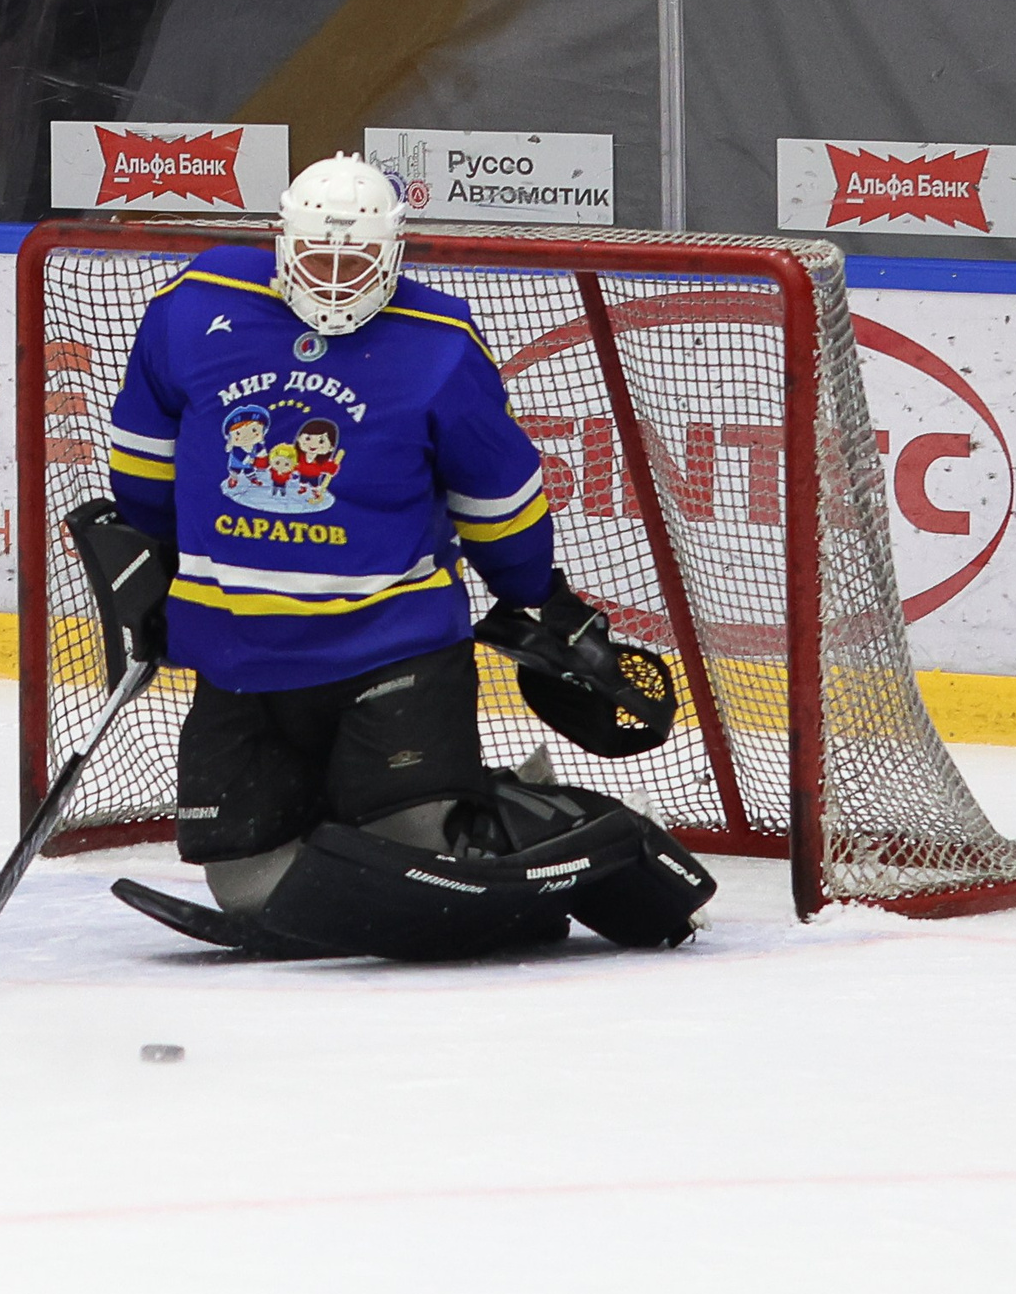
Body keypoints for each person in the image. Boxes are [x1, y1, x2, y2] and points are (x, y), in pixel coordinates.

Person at [99, 153, 710, 959]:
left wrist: (534, 589)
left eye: (359, 261)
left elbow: (499, 496)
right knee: (247, 884)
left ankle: (559, 823)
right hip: (240, 655)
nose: (338, 279)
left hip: (393, 650)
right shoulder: (198, 303)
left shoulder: (438, 343)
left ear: (394, 252)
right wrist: (149, 558)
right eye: (320, 258)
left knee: (433, 853)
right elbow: (143, 455)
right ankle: (366, 824)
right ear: (283, 244)